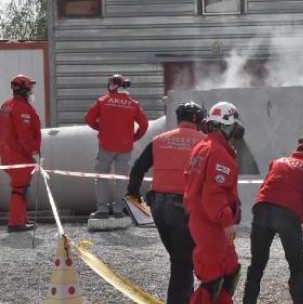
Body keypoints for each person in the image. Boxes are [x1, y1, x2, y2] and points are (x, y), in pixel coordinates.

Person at [126, 101, 206, 304]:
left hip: (158, 206)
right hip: (183, 206)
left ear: (179, 120)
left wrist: (133, 196)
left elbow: (137, 168)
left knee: (179, 258)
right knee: (182, 262)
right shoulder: (204, 142)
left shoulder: (160, 140)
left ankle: (186, 297)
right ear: (198, 120)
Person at [242, 136, 303, 304]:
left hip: (262, 208)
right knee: (296, 265)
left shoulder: (278, 161)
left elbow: (266, 186)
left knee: (257, 264)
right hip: (287, 212)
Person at [184, 102, 245, 304]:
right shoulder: (219, 153)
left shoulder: (201, 147)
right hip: (211, 224)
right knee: (212, 279)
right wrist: (227, 220)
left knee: (231, 269)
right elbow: (214, 193)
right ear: (228, 126)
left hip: (203, 219)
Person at [84, 74, 148, 219]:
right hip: (125, 148)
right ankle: (119, 210)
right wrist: (133, 138)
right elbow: (144, 125)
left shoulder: (103, 101)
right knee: (122, 179)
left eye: (110, 84)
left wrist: (101, 128)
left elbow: (88, 119)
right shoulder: (133, 104)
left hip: (106, 146)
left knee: (101, 178)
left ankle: (102, 210)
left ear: (115, 86)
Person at [0, 75, 41, 233]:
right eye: (30, 88)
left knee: (21, 187)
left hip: (7, 153)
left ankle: (21, 218)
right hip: (19, 155)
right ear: (24, 90)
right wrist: (34, 151)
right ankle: (16, 223)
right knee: (20, 188)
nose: (31, 91)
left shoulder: (6, 105)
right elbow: (24, 135)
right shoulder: (22, 108)